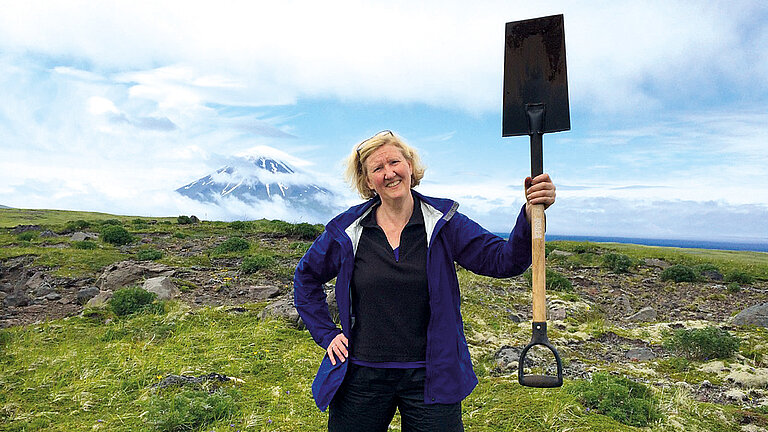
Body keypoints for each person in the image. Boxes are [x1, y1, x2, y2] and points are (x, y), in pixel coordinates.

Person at [294, 130, 556, 431]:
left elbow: (504, 260)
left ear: (410, 165)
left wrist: (528, 214)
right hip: (361, 374)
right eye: (377, 168)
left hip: (433, 374)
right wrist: (327, 334)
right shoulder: (349, 229)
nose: (389, 173)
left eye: (395, 162)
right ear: (368, 181)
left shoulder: (443, 222)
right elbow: (306, 277)